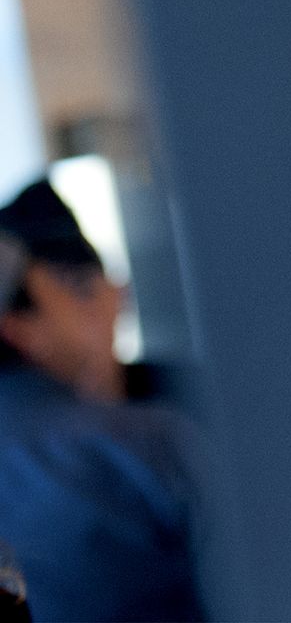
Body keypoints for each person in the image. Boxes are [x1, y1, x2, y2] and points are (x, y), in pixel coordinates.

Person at [0, 180, 203, 621]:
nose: (114, 301)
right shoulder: (141, 444)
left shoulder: (151, 415)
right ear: (18, 329)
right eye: (82, 292)